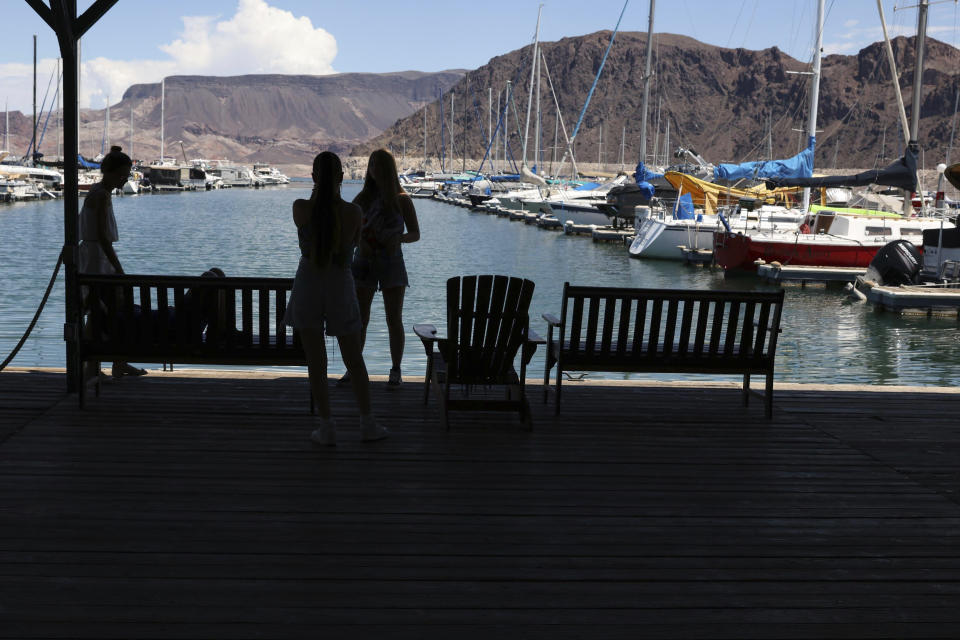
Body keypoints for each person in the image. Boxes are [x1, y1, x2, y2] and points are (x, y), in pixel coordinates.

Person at [283, 151, 387, 445]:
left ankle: (327, 427)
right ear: (342, 177)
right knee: (353, 358)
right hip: (340, 282)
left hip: (308, 282)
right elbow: (352, 245)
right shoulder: (354, 213)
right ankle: (367, 423)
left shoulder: (300, 208)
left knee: (316, 361)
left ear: (313, 177)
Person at [341, 148, 420, 388]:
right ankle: (353, 370)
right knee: (360, 319)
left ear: (388, 168)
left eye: (378, 164)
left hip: (392, 262)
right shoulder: (361, 199)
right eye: (371, 164)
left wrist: (399, 239)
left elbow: (415, 233)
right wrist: (358, 241)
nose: (373, 168)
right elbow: (346, 231)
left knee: (393, 318)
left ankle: (395, 371)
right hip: (363, 262)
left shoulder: (402, 199)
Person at [78, 145, 146, 380]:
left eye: (126, 175)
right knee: (106, 310)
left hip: (94, 257)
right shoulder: (100, 195)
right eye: (122, 174)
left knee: (99, 312)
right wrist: (118, 269)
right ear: (109, 172)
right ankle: (107, 364)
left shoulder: (99, 191)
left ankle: (101, 364)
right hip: (98, 260)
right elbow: (103, 238)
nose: (124, 179)